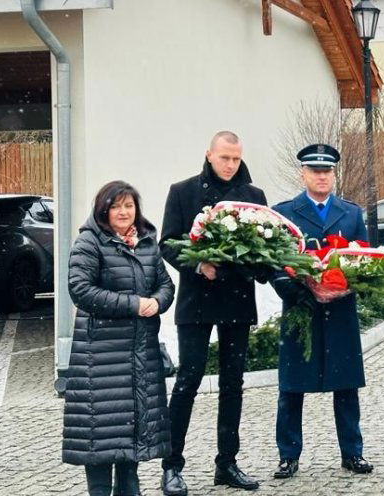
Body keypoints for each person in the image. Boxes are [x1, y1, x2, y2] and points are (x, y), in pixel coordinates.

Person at [159, 131, 267, 494]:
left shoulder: (254, 197)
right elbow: (169, 243)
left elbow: (265, 248)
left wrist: (244, 265)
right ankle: (171, 466)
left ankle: (227, 463)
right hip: (197, 301)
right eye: (224, 158)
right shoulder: (183, 191)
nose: (230, 165)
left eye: (236, 158)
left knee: (232, 384)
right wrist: (197, 265)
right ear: (209, 155)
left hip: (236, 299)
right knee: (188, 380)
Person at [63, 180, 175, 496]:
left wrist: (158, 301)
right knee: (101, 438)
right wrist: (134, 304)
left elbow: (166, 285)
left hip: (140, 355)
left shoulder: (147, 243)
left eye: (129, 205)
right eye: (116, 206)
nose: (123, 212)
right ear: (104, 210)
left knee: (133, 440)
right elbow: (81, 291)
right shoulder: (90, 243)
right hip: (101, 358)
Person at [270, 143, 373, 478]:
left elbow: (367, 259)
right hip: (301, 309)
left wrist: (348, 283)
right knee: (292, 387)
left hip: (340, 310)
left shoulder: (352, 213)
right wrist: (294, 290)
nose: (321, 176)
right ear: (303, 174)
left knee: (346, 387)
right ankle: (288, 455)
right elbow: (274, 261)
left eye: (326, 171)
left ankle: (352, 453)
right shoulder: (284, 212)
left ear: (333, 174)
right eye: (315, 171)